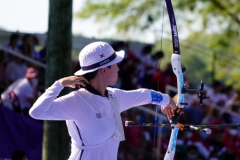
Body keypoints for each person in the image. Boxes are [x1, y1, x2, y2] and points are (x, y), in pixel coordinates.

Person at [29, 41, 177, 160]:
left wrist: (167, 100)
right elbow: (37, 112)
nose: (118, 68)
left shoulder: (114, 96)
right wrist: (59, 84)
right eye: (115, 64)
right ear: (104, 70)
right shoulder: (77, 101)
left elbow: (144, 94)